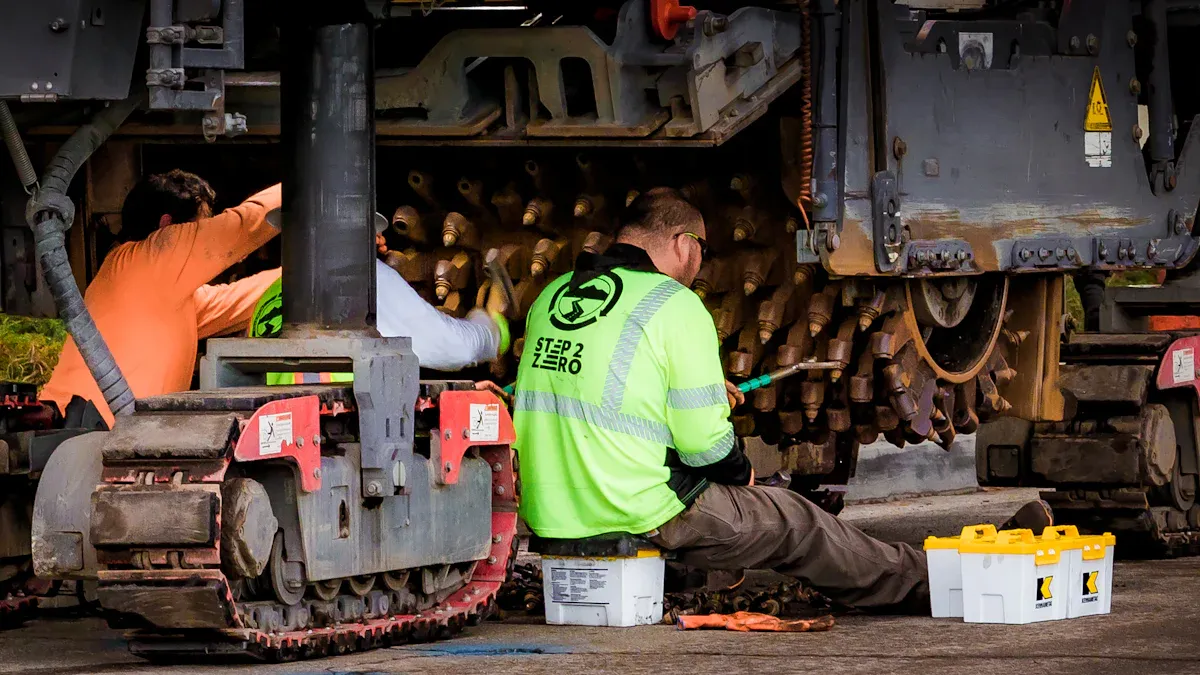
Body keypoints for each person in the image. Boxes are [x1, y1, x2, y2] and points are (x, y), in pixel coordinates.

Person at [511, 187, 1053, 612]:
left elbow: (595, 400)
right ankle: (940, 582)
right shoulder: (673, 305)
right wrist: (742, 472)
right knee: (800, 522)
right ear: (682, 244)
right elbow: (706, 447)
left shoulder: (555, 295)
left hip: (553, 515)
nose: (700, 263)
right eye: (701, 250)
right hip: (633, 511)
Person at [40, 171, 282, 426]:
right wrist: (310, 179)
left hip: (86, 432)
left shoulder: (151, 285)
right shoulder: (152, 256)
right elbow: (244, 225)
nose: (205, 234)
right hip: (82, 433)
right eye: (200, 226)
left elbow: (240, 300)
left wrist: (318, 275)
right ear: (167, 226)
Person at [248, 256, 508, 378]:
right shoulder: (365, 277)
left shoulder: (270, 295)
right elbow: (451, 347)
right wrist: (492, 326)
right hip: (336, 435)